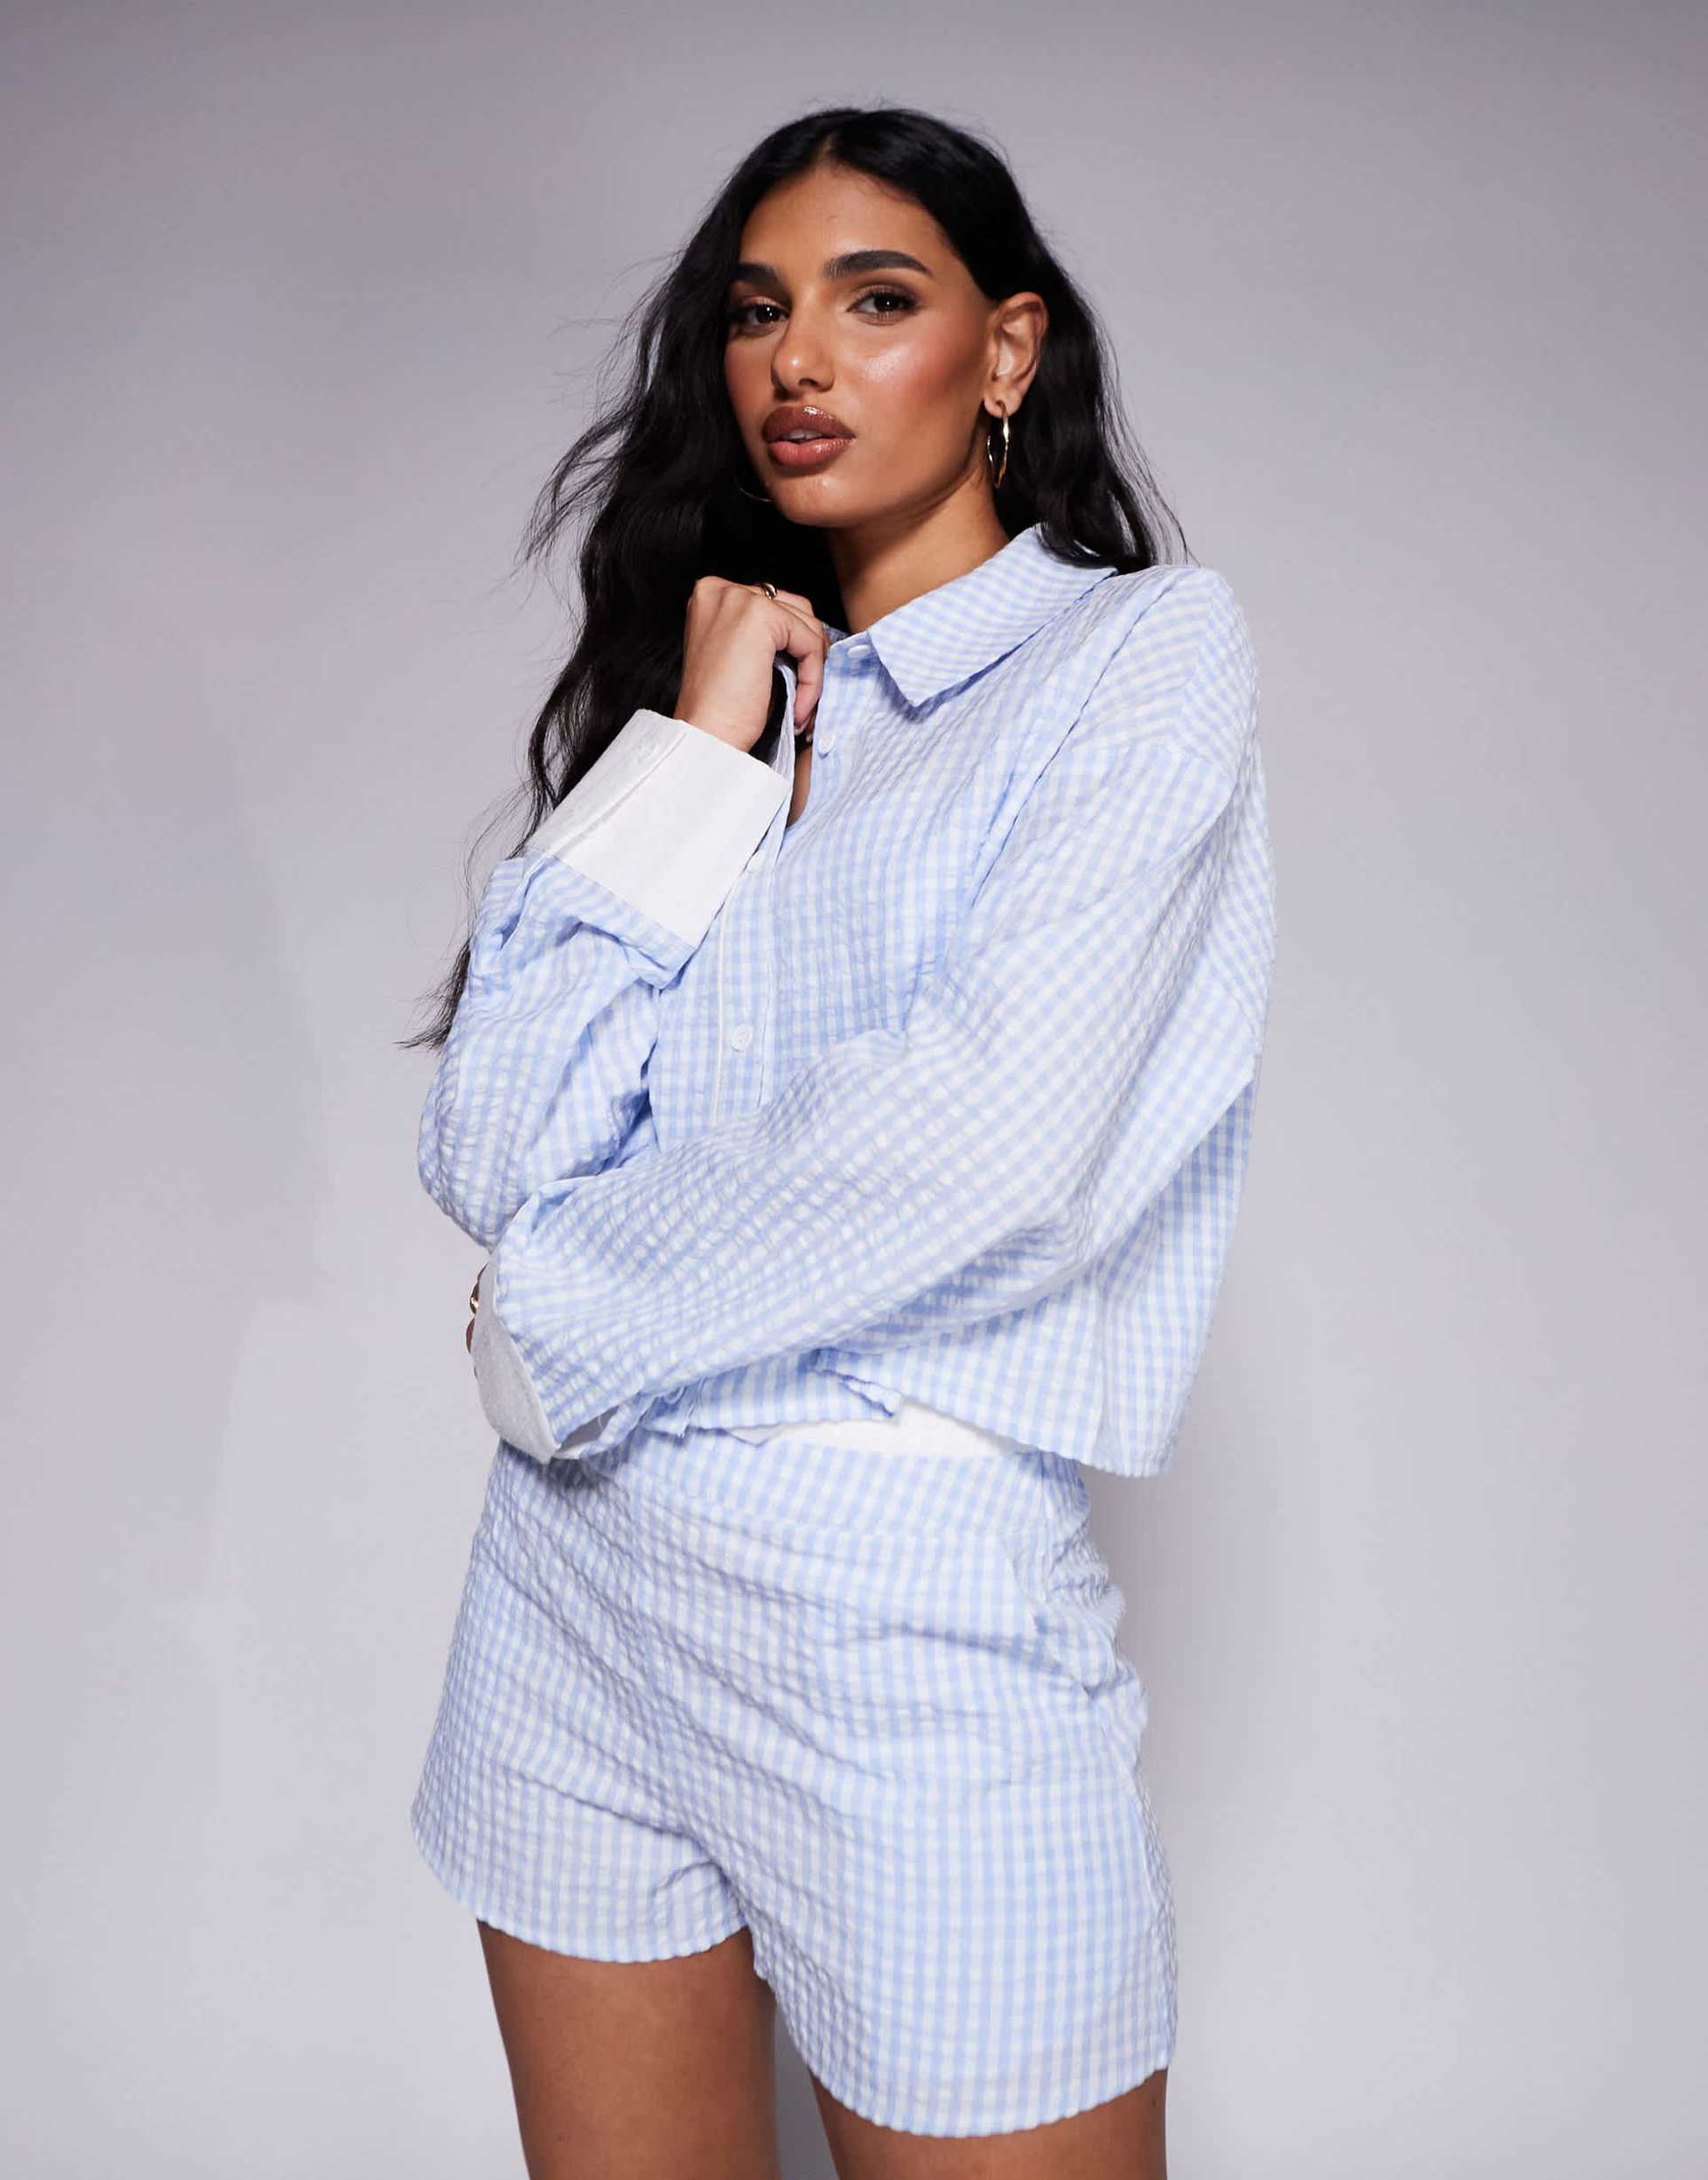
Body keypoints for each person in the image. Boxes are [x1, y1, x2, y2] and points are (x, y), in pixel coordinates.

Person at [402, 101, 1276, 2180]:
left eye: (876, 301)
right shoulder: (726, 705)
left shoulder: (1136, 659)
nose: (796, 358)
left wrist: (563, 1313)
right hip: (570, 1574)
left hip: (886, 1596)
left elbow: (988, 1141)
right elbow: (494, 1140)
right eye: (756, 310)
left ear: (1007, 349)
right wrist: (692, 752)